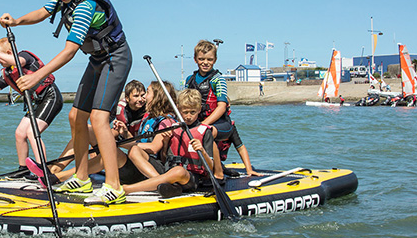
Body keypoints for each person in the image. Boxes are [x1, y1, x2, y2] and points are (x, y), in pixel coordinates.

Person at [0, 0, 132, 204]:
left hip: (116, 57)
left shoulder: (85, 4)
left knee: (99, 118)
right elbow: (42, 12)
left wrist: (37, 75)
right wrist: (17, 21)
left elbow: (70, 50)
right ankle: (81, 179)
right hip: (97, 59)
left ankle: (114, 186)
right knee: (75, 117)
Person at [29, 81, 177, 190]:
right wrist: (122, 134)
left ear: (157, 97)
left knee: (111, 152)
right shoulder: (147, 117)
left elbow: (153, 148)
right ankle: (54, 170)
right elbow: (133, 139)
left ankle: (57, 177)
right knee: (87, 130)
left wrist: (119, 143)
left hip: (145, 171)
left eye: (147, 93)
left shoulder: (166, 121)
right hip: (133, 164)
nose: (144, 97)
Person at [124, 89, 261, 197]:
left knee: (178, 171)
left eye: (192, 112)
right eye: (185, 112)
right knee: (134, 151)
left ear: (199, 110)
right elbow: (165, 158)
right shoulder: (173, 127)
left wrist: (201, 151)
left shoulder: (205, 132)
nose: (188, 116)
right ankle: (162, 183)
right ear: (178, 109)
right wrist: (165, 143)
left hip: (192, 177)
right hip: (169, 170)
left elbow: (212, 168)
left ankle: (127, 189)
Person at [0, 38, 63, 176]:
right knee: (20, 133)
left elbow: (18, 61)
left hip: (51, 97)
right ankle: (23, 170)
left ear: (9, 52)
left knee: (32, 132)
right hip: (37, 102)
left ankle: (44, 171)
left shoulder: (25, 57)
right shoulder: (8, 72)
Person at [49, 79, 146, 174]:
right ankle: (54, 168)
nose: (140, 99)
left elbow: (143, 146)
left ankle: (58, 173)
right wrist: (93, 150)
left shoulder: (149, 115)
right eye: (136, 96)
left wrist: (125, 133)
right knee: (86, 130)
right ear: (127, 98)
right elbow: (100, 129)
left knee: (102, 135)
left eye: (142, 95)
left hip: (135, 156)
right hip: (119, 145)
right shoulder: (118, 108)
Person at [184, 40, 234, 181]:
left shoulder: (218, 80)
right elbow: (183, 103)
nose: (205, 62)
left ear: (215, 60)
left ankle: (218, 173)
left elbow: (222, 106)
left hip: (221, 124)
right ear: (195, 60)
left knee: (207, 133)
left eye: (209, 59)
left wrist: (204, 124)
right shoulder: (190, 80)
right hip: (198, 122)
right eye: (201, 59)